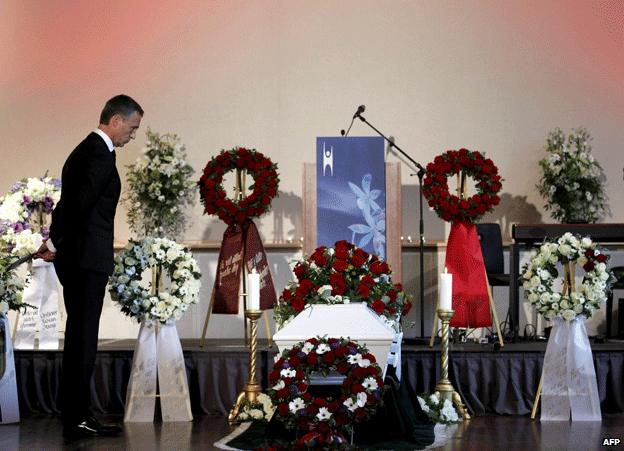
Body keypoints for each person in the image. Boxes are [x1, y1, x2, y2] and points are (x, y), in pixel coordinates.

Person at [35, 95, 143, 439]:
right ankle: (77, 417)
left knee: (81, 339)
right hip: (86, 259)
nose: (133, 135)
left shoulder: (87, 150)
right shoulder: (98, 152)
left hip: (78, 257)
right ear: (115, 120)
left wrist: (56, 241)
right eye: (132, 127)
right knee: (83, 341)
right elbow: (79, 204)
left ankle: (76, 414)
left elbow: (70, 204)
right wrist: (56, 242)